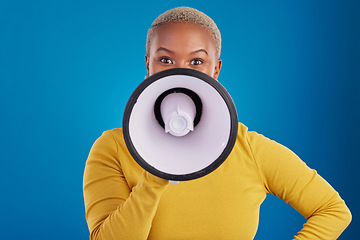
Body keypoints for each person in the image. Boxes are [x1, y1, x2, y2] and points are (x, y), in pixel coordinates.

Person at [83, 7, 351, 240]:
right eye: (165, 59)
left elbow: (333, 210)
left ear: (216, 70)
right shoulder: (113, 149)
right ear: (148, 65)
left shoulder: (250, 150)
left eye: (197, 61)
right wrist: (153, 179)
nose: (180, 71)